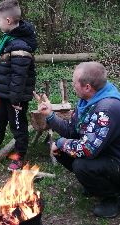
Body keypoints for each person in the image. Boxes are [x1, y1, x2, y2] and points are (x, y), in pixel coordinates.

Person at [35, 61, 120, 218]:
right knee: (62, 151)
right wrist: (50, 115)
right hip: (103, 152)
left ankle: (112, 198)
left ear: (87, 86)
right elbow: (71, 130)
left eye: (74, 82)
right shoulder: (87, 101)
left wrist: (61, 143)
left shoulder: (106, 110)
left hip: (116, 160)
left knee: (82, 164)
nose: (73, 85)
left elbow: (87, 149)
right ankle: (96, 184)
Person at [0, 0, 37, 171]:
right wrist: (1, 93)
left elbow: (19, 76)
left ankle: (19, 155)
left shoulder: (20, 45)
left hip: (15, 97)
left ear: (8, 21)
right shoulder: (10, 40)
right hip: (5, 93)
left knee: (17, 125)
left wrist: (16, 100)